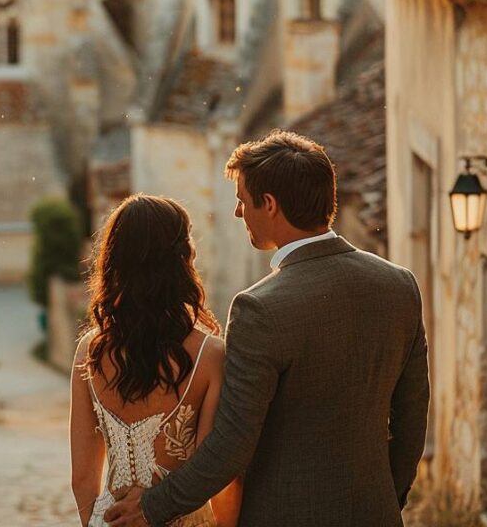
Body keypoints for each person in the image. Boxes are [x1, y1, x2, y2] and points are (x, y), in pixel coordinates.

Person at [104, 130, 430, 527]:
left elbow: (232, 444)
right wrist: (386, 497)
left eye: (242, 201)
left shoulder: (259, 308)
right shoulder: (399, 285)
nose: (238, 214)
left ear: (270, 204)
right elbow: (412, 416)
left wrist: (153, 505)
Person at [70, 195, 242, 527]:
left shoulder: (88, 351)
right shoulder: (210, 355)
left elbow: (82, 477)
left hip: (113, 519)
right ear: (182, 261)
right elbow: (212, 470)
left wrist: (94, 522)